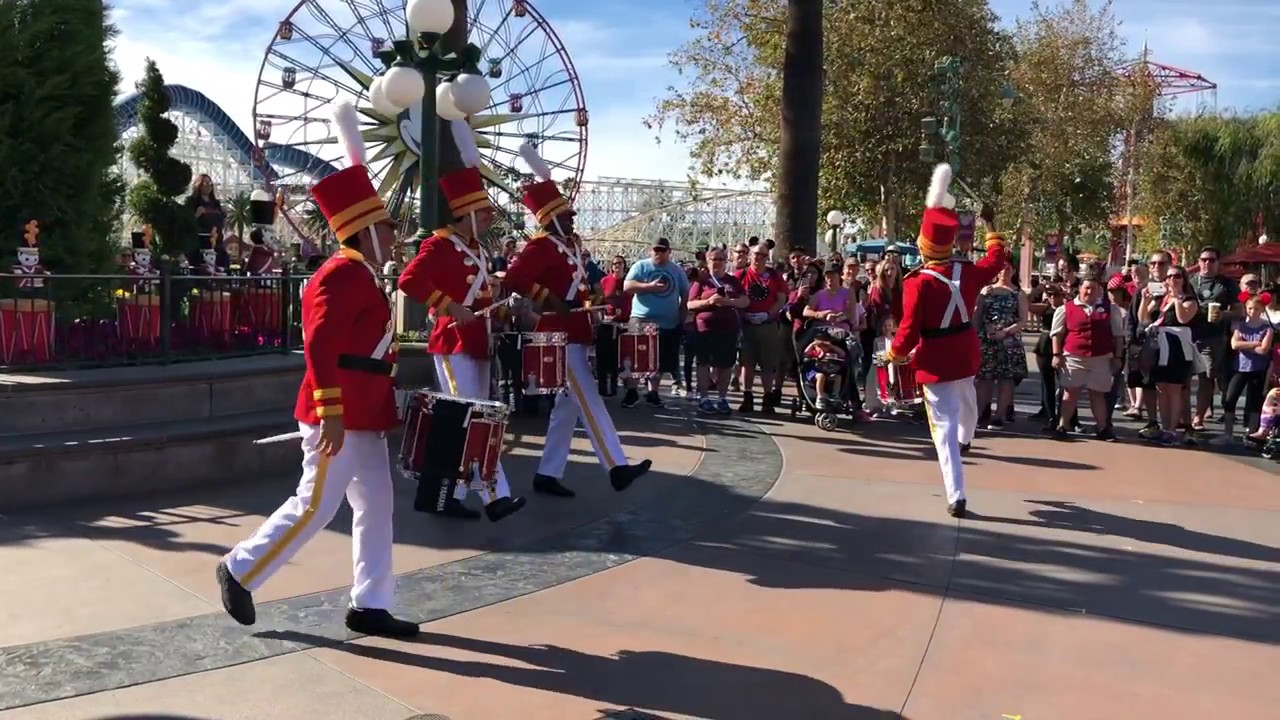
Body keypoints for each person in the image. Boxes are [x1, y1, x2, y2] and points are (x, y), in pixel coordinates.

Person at [216, 101, 416, 639]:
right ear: (365, 231)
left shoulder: (364, 275)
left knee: (377, 504)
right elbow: (320, 344)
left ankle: (370, 603)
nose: (395, 235)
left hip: (363, 411)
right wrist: (330, 411)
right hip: (338, 410)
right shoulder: (339, 275)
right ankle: (239, 568)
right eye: (388, 227)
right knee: (316, 506)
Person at [503, 142, 652, 498]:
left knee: (567, 409)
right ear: (551, 217)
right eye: (567, 214)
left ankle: (547, 473)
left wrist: (596, 302)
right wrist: (549, 299)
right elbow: (514, 279)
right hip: (558, 335)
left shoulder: (568, 246)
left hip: (576, 332)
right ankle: (616, 466)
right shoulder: (540, 246)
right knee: (589, 398)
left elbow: (579, 288)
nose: (573, 217)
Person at [397, 119, 526, 523]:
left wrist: (502, 310)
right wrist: (450, 306)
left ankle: (440, 495)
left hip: (477, 341)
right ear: (465, 213)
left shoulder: (476, 251)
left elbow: (483, 296)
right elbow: (408, 279)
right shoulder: (439, 244)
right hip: (453, 343)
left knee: (463, 420)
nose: (489, 218)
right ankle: (494, 496)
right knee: (467, 416)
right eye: (483, 212)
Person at [881, 165, 1008, 517]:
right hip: (965, 349)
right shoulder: (967, 271)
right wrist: (990, 225)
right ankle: (968, 438)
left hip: (935, 355)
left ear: (923, 247)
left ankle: (957, 494)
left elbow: (907, 331)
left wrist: (893, 354)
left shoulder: (916, 282)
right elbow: (997, 259)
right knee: (966, 400)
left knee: (943, 429)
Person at [1049, 271, 1125, 441]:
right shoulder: (1066, 308)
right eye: (1086, 288)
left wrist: (1118, 356)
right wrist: (1057, 354)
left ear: (1099, 290)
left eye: (1094, 289)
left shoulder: (1110, 309)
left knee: (1098, 394)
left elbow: (1118, 335)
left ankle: (1103, 428)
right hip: (1074, 356)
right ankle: (1062, 425)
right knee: (1070, 392)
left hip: (1101, 357)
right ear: (1080, 289)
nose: (1089, 292)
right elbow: (1057, 334)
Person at [623, 237, 691, 407]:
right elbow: (627, 286)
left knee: (658, 360)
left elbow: (685, 295)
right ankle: (632, 391)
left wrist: (682, 319)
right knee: (637, 357)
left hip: (668, 322)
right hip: (641, 319)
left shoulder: (676, 271)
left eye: (662, 250)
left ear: (669, 252)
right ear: (650, 251)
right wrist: (650, 287)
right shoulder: (641, 266)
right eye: (656, 250)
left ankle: (653, 392)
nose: (658, 253)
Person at [687, 246, 748, 414]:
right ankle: (704, 398)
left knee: (725, 364)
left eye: (721, 259)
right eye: (714, 259)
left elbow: (745, 301)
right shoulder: (701, 281)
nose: (718, 263)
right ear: (708, 261)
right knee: (703, 363)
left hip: (728, 329)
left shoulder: (732, 281)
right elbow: (690, 304)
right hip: (704, 329)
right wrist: (709, 302)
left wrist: (730, 302)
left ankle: (722, 398)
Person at [1212, 292, 1274, 446]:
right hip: (1241, 367)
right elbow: (1235, 345)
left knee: (1254, 402)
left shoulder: (1267, 328)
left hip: (1258, 369)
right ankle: (1228, 433)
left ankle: (1252, 435)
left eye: (1257, 309)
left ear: (1262, 310)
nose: (1253, 312)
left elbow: (1264, 350)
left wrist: (1246, 345)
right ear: (1246, 308)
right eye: (1250, 308)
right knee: (1230, 398)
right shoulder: (1240, 325)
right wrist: (1255, 344)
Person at [804, 329, 847, 408]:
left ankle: (835, 395)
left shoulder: (831, 353)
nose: (823, 348)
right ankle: (820, 397)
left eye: (825, 346)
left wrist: (831, 346)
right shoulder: (814, 353)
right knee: (821, 376)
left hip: (829, 371)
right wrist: (813, 344)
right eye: (820, 346)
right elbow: (805, 354)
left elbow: (842, 354)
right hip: (815, 372)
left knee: (837, 377)